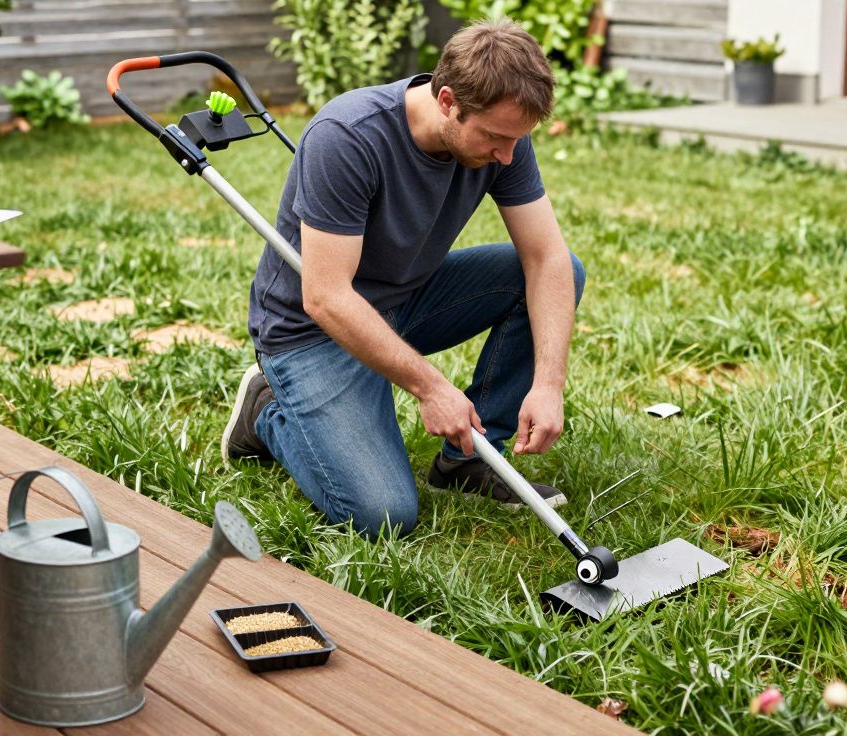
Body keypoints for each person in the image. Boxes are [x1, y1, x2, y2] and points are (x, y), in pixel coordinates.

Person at [220, 18, 586, 539]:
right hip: (311, 334)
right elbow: (324, 297)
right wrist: (431, 387)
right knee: (382, 514)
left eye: (516, 140)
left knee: (564, 271)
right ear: (446, 101)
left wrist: (548, 384)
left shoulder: (504, 139)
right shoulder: (348, 137)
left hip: (406, 301)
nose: (507, 156)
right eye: (496, 138)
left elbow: (547, 258)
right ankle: (266, 412)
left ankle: (466, 463)